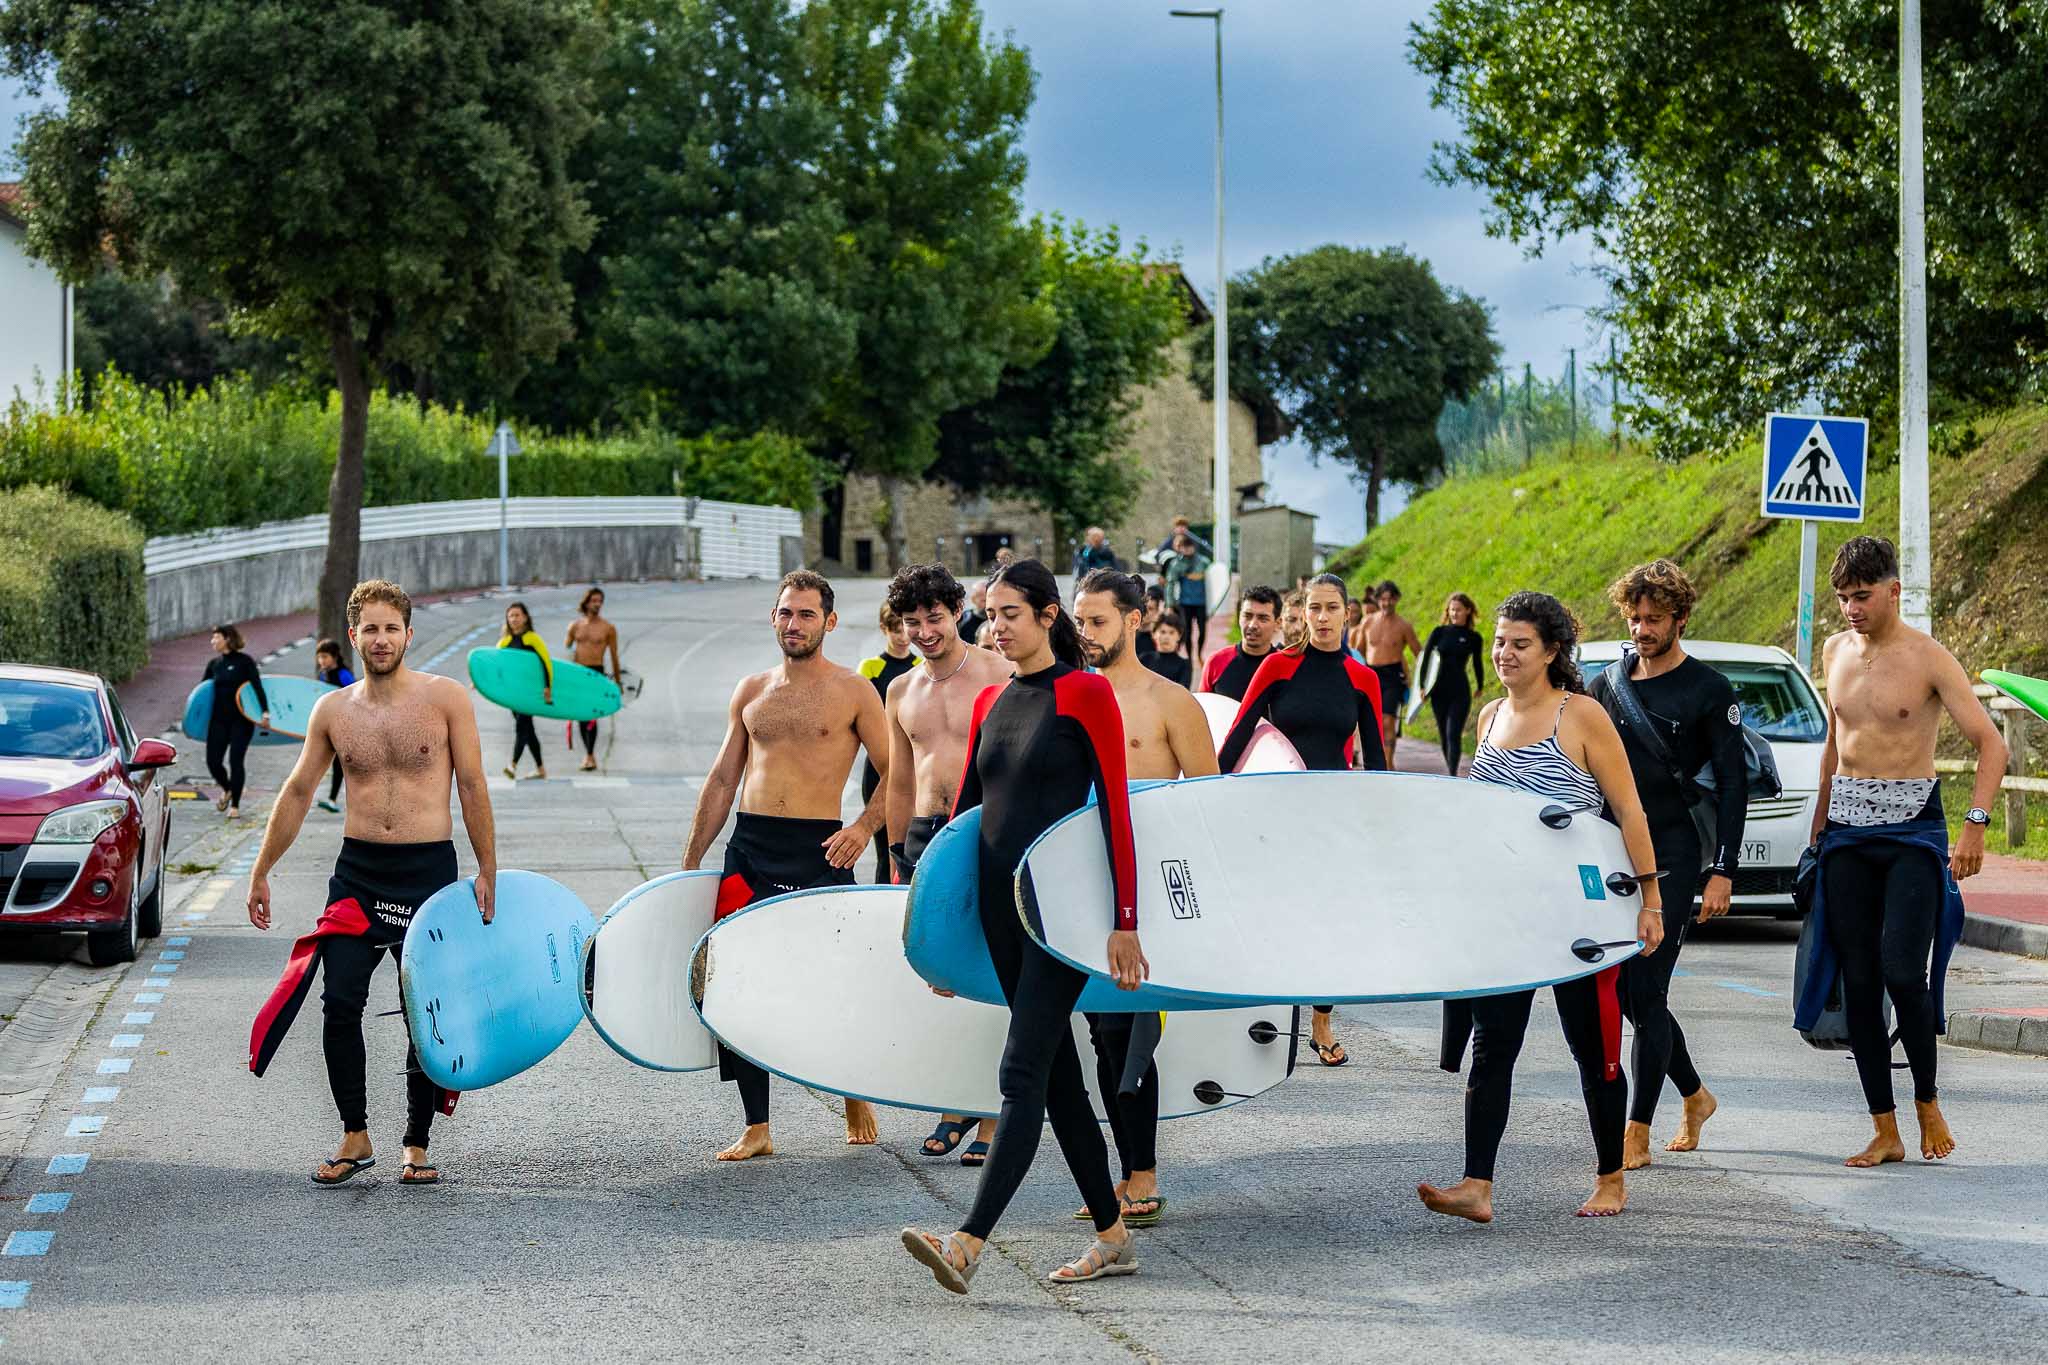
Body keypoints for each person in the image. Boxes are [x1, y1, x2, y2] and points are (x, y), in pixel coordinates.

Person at [900, 557, 1143, 1295]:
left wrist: (1124, 920)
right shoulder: (991, 705)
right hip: (1005, 920)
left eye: (1010, 612)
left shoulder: (1086, 693)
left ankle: (968, 1241)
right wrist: (944, 943)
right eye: (991, 613)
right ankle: (1112, 1236)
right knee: (1060, 1080)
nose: (996, 625)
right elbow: (962, 830)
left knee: (1018, 1072)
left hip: (1063, 916)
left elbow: (1118, 811)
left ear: (1046, 614)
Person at [1416, 591, 1665, 1222]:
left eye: (1519, 644)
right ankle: (1477, 1184)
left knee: (1594, 1048)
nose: (1503, 654)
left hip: (1578, 916)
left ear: (1552, 651)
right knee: (1492, 1047)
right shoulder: (1490, 716)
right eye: (1499, 642)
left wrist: (1650, 897)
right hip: (1507, 916)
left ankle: (1611, 1176)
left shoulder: (1581, 716)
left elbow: (1629, 810)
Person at [246, 579, 497, 1188]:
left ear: (409, 635)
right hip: (358, 875)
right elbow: (301, 790)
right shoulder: (333, 711)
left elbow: (471, 785)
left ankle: (416, 1140)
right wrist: (262, 869)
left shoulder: (446, 700)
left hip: (428, 874)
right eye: (370, 629)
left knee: (423, 1011)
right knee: (339, 1004)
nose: (381, 639)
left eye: (392, 628)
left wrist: (487, 869)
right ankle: (355, 1134)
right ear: (353, 636)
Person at [1803, 535, 2004, 1168]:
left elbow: (1990, 746)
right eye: (1842, 599)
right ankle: (1884, 1127)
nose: (1851, 609)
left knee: (1900, 970)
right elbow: (1835, 746)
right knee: (1858, 981)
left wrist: (1974, 828)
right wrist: (1817, 828)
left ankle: (1926, 1100)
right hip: (1847, 833)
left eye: (1862, 597)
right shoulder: (1835, 650)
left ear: (1893, 590)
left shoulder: (1928, 658)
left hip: (1914, 830)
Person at [683, 570, 891, 1160]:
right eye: (784, 613)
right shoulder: (751, 690)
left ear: (828, 621)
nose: (793, 624)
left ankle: (850, 1088)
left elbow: (895, 769)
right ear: (772, 619)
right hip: (750, 847)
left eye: (805, 614)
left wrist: (863, 828)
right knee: (735, 978)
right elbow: (724, 777)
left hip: (820, 848)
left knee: (834, 980)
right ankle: (757, 1125)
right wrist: (693, 860)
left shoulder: (854, 691)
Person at [1584, 561, 1745, 1167]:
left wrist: (1722, 871)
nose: (1641, 629)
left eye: (1653, 619)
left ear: (1681, 618)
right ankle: (1696, 1095)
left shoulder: (1708, 690)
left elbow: (1733, 786)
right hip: (1612, 850)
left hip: (1676, 852)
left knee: (1646, 988)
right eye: (1634, 617)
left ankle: (1638, 1130)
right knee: (1628, 994)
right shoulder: (1607, 685)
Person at [1072, 569, 1219, 1227]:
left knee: (1129, 1033)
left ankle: (1142, 1172)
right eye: (1080, 621)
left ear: (1135, 618)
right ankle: (1122, 1172)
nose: (1086, 633)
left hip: (1149, 892)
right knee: (1100, 1033)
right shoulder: (1069, 697)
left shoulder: (1170, 702)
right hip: (1081, 884)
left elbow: (1211, 805)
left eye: (1098, 620)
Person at [1219, 573, 1388, 1066]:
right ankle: (1260, 1012)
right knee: (1271, 909)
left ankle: (1320, 1019)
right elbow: (1239, 734)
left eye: (1331, 608)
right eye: (1314, 608)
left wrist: (1380, 823)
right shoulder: (1277, 666)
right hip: (1277, 811)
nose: (1321, 617)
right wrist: (1208, 788)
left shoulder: (1363, 678)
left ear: (1347, 613)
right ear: (1304, 612)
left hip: (1333, 813)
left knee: (1330, 917)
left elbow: (1375, 758)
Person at [882, 563, 1014, 1168]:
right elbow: (900, 778)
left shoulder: (998, 672)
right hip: (921, 838)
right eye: (913, 623)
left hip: (983, 834)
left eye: (934, 618)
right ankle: (958, 1097)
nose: (925, 632)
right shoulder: (900, 691)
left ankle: (991, 1110)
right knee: (943, 979)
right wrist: (894, 860)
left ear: (958, 608)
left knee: (989, 972)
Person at [858, 601, 921, 882]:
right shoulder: (871, 668)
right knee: (885, 850)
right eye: (895, 630)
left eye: (904, 629)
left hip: (915, 764)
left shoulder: (921, 666)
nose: (902, 636)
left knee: (911, 847)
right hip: (880, 766)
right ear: (884, 629)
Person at [202, 623, 270, 820]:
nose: (213, 641)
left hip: (241, 720)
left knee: (235, 761)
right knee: (213, 762)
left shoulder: (245, 662)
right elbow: (203, 695)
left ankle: (236, 805)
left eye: (216, 637)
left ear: (228, 639)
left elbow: (257, 687)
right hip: (218, 720)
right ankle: (228, 788)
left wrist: (265, 713)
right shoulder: (214, 665)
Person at [1419, 593, 1487, 775]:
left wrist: (1480, 685)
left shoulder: (1473, 637)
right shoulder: (1439, 633)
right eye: (1452, 609)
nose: (1455, 613)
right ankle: (1451, 772)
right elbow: (1425, 659)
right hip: (1438, 691)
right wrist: (1422, 686)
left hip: (1460, 692)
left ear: (1468, 611)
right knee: (1443, 735)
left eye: (1458, 610)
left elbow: (1477, 663)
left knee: (1452, 733)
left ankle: (1452, 775)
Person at [564, 587, 622, 772]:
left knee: (592, 716)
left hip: (596, 673)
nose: (597, 604)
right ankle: (588, 755)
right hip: (578, 672)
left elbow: (614, 656)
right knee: (582, 715)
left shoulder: (608, 628)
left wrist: (618, 682)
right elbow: (567, 650)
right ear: (586, 602)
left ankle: (590, 756)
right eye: (594, 600)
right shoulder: (575, 626)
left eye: (600, 601)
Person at [1363, 581, 1422, 763]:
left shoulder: (1404, 626)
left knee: (1388, 720)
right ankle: (1374, 758)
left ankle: (1388, 762)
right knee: (1372, 722)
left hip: (1392, 676)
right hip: (1371, 674)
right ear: (1377, 600)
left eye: (1390, 599)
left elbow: (1419, 654)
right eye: (1382, 599)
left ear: (1396, 599)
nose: (1386, 603)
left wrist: (1421, 684)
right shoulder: (1368, 622)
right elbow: (1356, 652)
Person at [497, 603, 552, 782]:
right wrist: (480, 681)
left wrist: (547, 686)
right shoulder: (504, 642)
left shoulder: (532, 639)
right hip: (513, 694)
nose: (513, 619)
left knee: (522, 726)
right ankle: (541, 768)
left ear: (526, 617)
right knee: (528, 729)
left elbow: (546, 663)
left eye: (517, 615)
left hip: (530, 692)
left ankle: (512, 765)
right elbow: (494, 667)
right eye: (511, 616)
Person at [1199, 586, 1284, 701]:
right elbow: (1202, 710)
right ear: (1239, 617)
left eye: (1262, 618)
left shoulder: (1285, 666)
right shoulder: (1216, 662)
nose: (1252, 625)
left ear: (1278, 623)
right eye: (1247, 616)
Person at [313, 639, 355, 814]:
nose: (321, 661)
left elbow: (355, 697)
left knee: (342, 764)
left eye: (325, 656)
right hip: (330, 724)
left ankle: (335, 799)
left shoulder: (344, 674)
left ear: (334, 656)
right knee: (332, 762)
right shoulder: (323, 675)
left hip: (347, 724)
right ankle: (332, 799)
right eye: (319, 657)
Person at [1163, 533, 1212, 660]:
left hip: (1201, 602)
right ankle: (1190, 658)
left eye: (1189, 547)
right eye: (1184, 547)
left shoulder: (1203, 562)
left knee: (1202, 631)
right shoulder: (1176, 564)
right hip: (1185, 602)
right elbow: (1170, 584)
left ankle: (1199, 654)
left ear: (1194, 547)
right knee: (1187, 631)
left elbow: (1213, 580)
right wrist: (1169, 604)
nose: (1187, 550)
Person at [1142, 613, 1192, 687]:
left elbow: (1182, 692)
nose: (1166, 637)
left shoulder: (1184, 665)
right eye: (1162, 632)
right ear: (1153, 634)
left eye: (1171, 633)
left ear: (1179, 636)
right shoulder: (1144, 659)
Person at [957, 579, 989, 650]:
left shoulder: (996, 620)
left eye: (989, 600)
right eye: (983, 600)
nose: (987, 604)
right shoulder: (962, 619)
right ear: (973, 599)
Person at [1136, 585, 1166, 658]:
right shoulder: (1128, 635)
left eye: (1150, 609)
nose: (1144, 612)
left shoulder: (1159, 639)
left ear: (1158, 611)